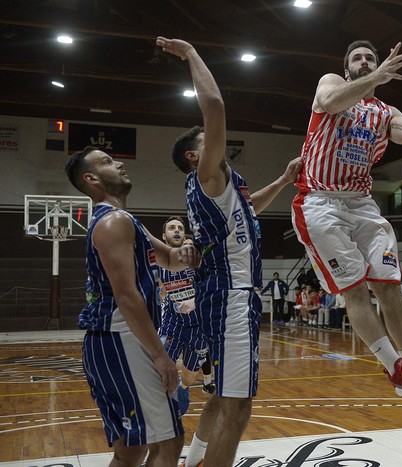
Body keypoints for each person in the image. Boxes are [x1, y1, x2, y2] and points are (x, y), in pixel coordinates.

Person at [291, 39, 402, 410]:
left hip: (363, 204)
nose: (365, 61)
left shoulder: (384, 112)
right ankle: (395, 368)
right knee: (354, 291)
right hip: (320, 201)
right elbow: (328, 103)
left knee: (390, 290)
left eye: (370, 57)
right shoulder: (331, 83)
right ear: (347, 67)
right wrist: (377, 75)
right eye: (357, 58)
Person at [159, 36, 301, 467]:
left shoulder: (221, 190)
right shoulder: (206, 174)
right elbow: (215, 107)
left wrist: (282, 179)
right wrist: (191, 54)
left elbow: (248, 211)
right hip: (231, 294)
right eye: (209, 141)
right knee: (238, 407)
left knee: (223, 397)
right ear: (194, 154)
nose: (219, 142)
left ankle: (193, 459)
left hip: (223, 293)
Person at [65, 146, 201, 466]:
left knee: (131, 450)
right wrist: (161, 355)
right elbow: (126, 296)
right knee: (168, 441)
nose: (119, 162)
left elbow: (169, 257)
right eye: (107, 162)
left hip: (111, 343)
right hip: (121, 339)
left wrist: (205, 248)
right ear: (91, 178)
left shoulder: (126, 220)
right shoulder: (113, 222)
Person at [158, 217, 212, 416]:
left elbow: (217, 289)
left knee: (189, 378)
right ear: (164, 236)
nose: (177, 230)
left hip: (199, 328)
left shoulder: (198, 261)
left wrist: (196, 301)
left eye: (180, 227)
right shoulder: (158, 263)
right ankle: (166, 414)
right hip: (173, 324)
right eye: (172, 228)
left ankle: (183, 387)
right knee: (161, 368)